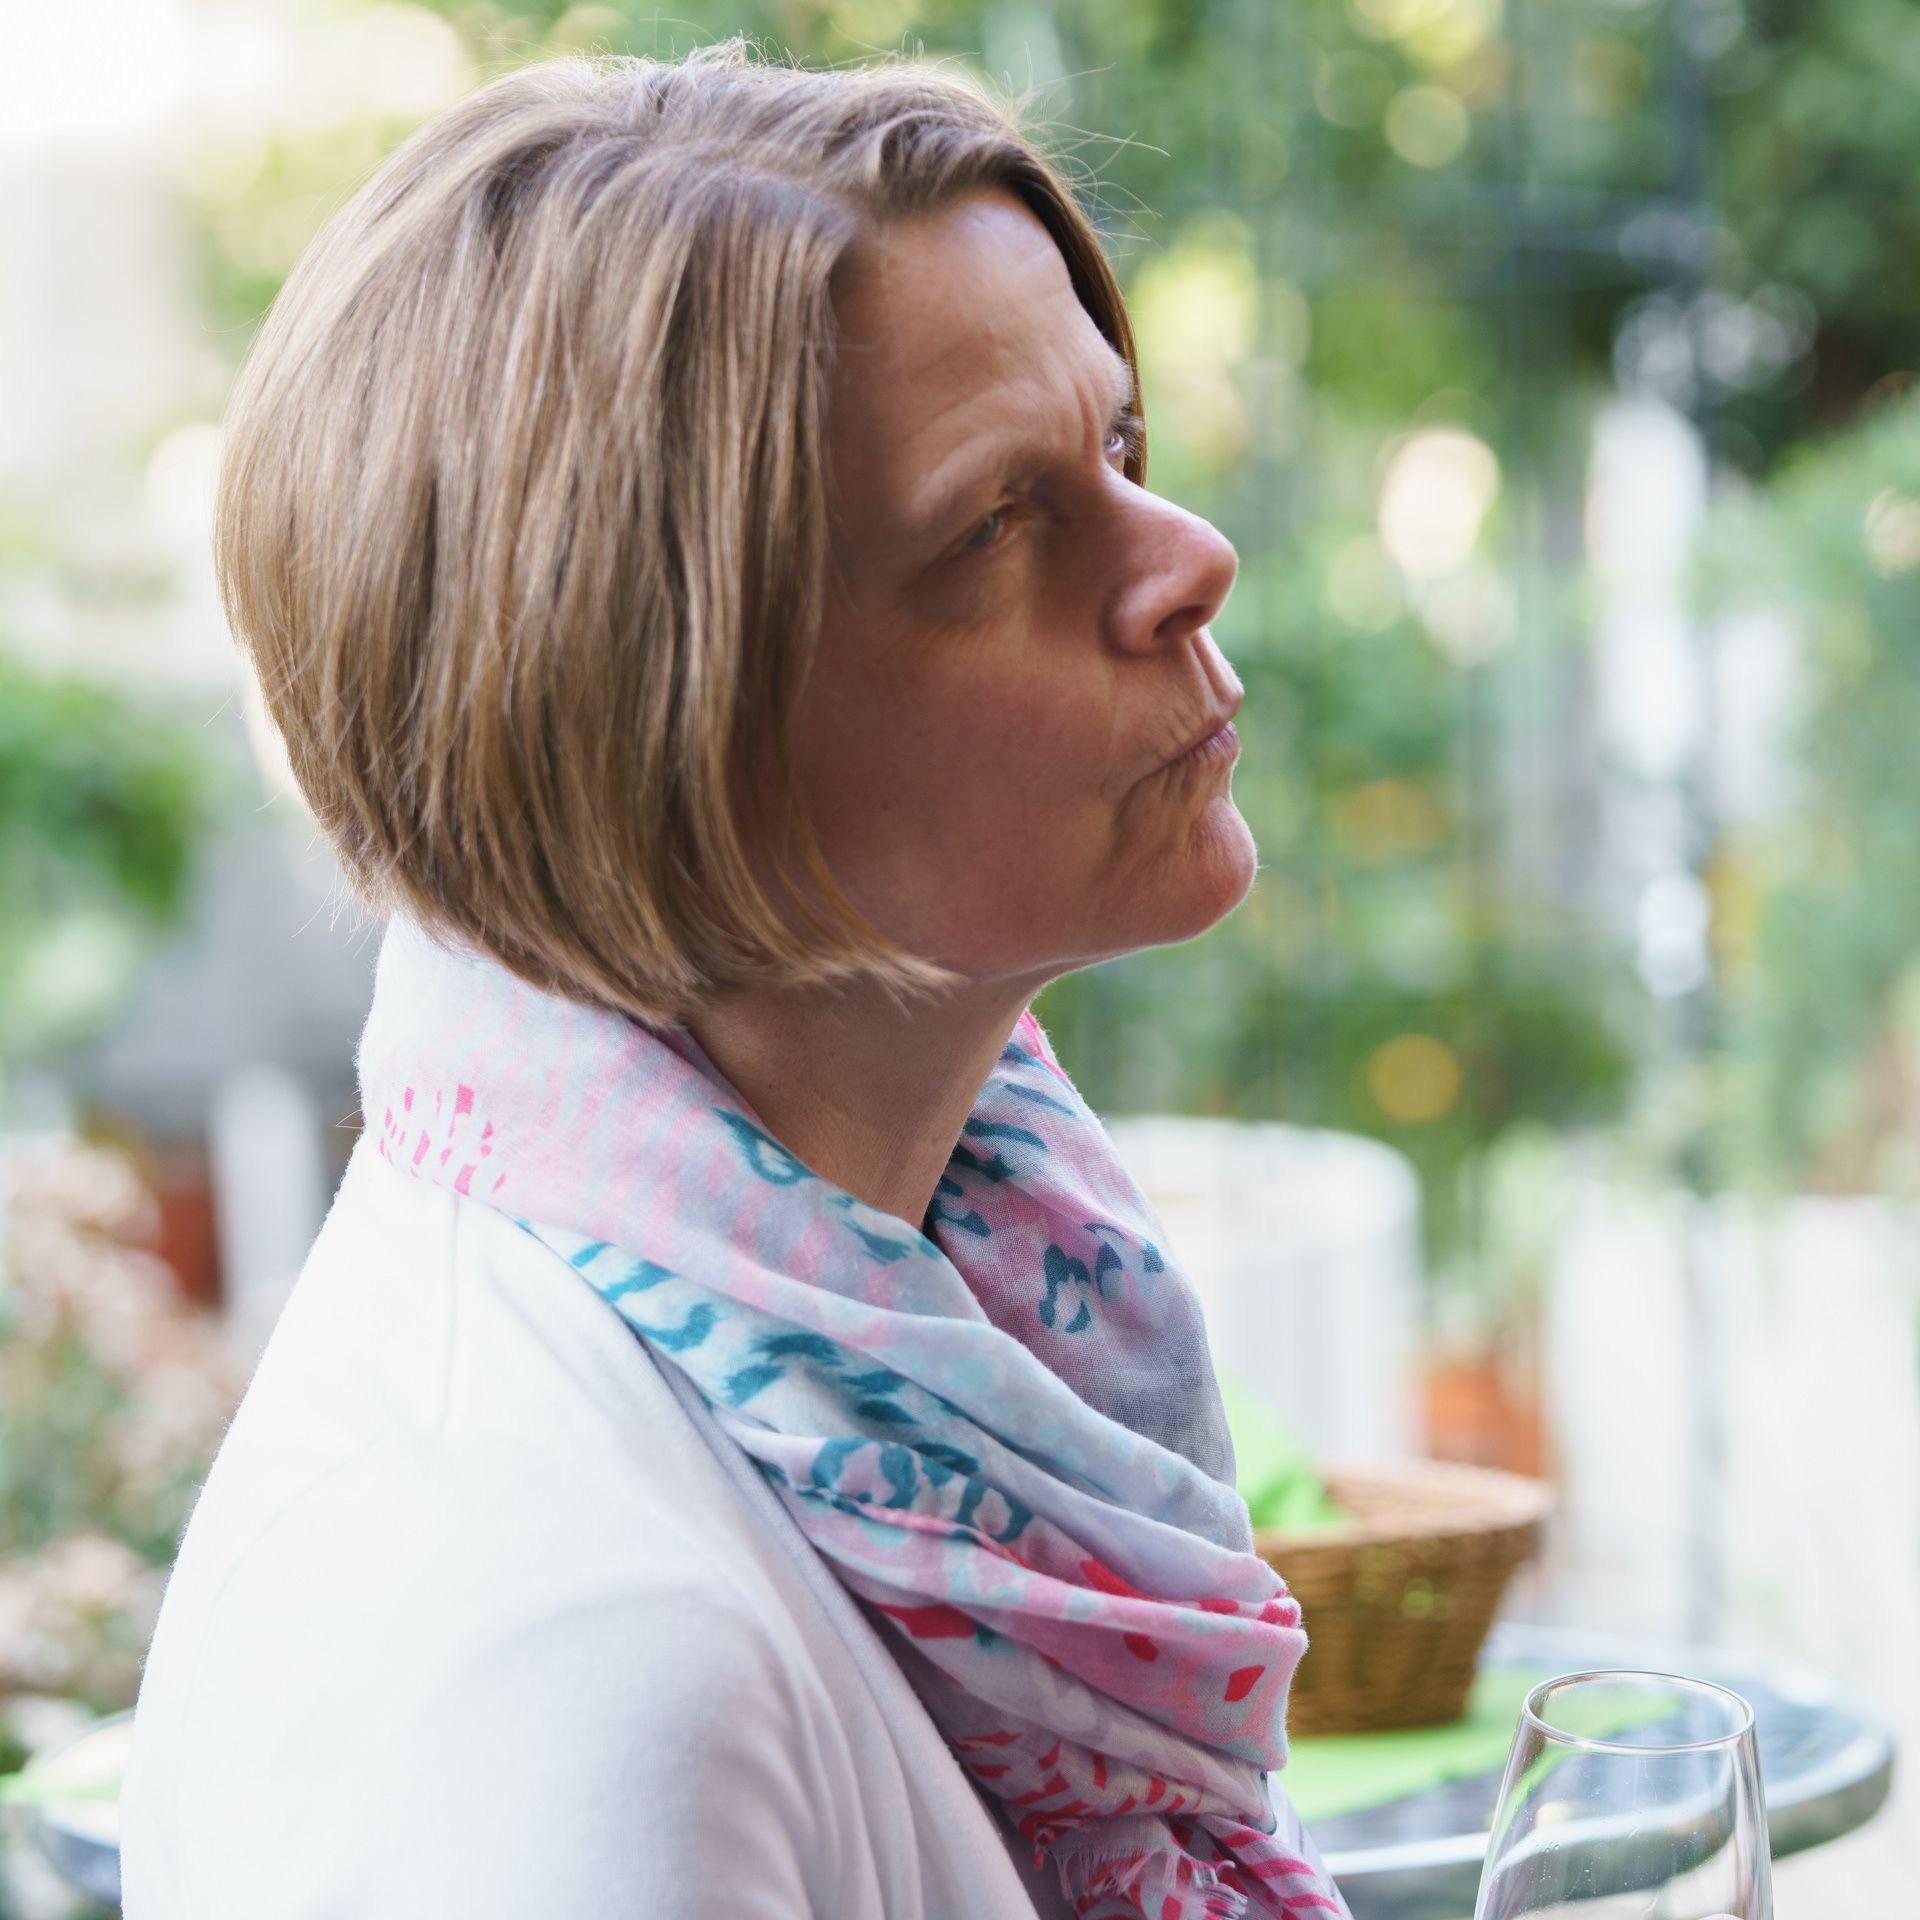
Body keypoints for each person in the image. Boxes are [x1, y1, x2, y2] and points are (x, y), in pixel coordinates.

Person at [118, 42, 1351, 1920]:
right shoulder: (567, 1678)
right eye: (997, 527)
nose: (1190, 558)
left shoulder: (950, 1290)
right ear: (654, 721)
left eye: (1117, 451)